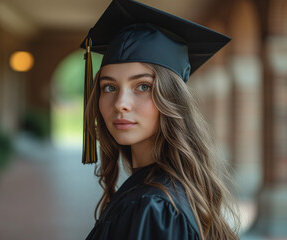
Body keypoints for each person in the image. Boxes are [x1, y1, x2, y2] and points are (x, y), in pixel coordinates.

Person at [80, 0, 240, 239]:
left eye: (143, 86)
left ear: (172, 98)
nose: (120, 103)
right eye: (109, 87)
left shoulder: (155, 207)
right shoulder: (161, 189)